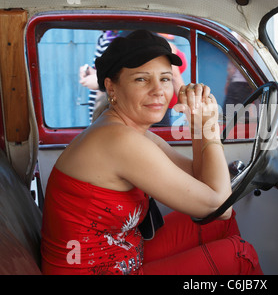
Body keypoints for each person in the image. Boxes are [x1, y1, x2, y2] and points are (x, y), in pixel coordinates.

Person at [40, 29, 263, 275]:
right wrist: (208, 126)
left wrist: (198, 124)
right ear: (111, 88)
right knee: (240, 255)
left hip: (127, 254)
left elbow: (201, 182)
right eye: (142, 79)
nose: (158, 90)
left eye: (165, 79)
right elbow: (220, 206)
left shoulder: (133, 132)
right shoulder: (118, 140)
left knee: (219, 227)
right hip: (100, 271)